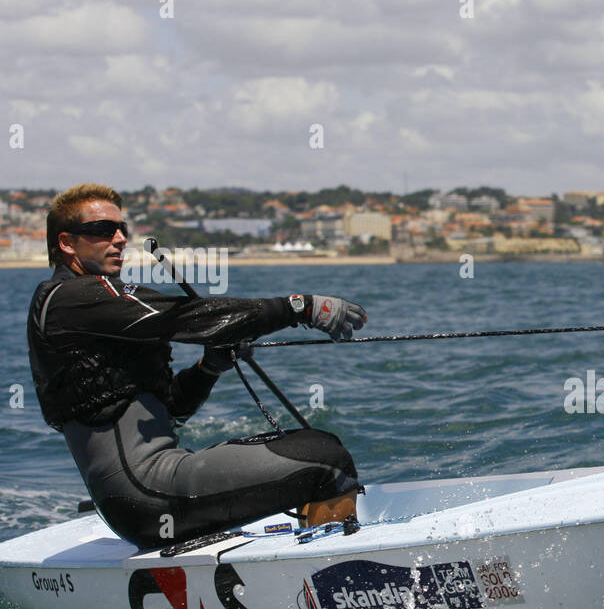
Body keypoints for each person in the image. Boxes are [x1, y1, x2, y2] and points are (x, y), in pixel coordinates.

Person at [28, 183, 368, 548]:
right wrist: (296, 307)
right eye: (101, 230)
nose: (119, 239)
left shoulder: (98, 307)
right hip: (146, 495)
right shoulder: (71, 298)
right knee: (325, 460)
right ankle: (339, 579)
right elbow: (182, 317)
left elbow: (172, 409)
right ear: (66, 243)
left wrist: (209, 366)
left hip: (143, 498)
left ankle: (315, 554)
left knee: (312, 444)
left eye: (122, 229)